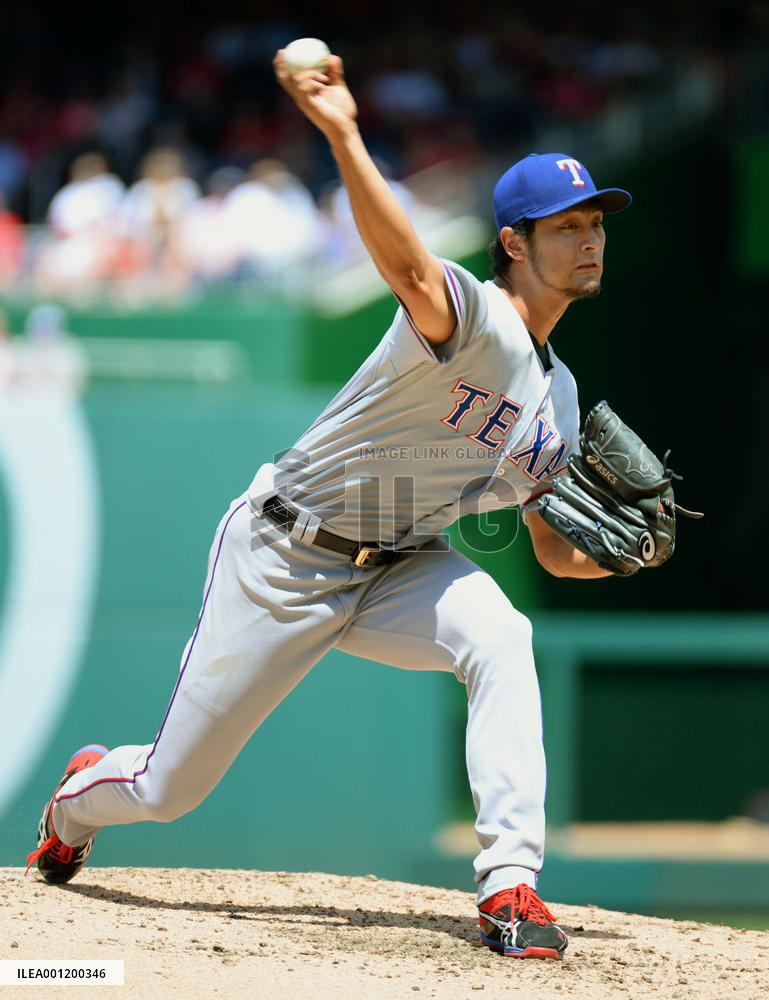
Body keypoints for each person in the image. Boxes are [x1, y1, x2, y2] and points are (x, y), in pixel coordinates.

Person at [26, 49, 633, 963]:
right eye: (564, 225)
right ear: (513, 240)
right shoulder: (468, 311)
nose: (588, 239)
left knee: (503, 636)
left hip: (401, 565)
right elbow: (407, 265)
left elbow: (549, 548)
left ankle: (511, 886)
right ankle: (78, 799)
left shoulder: (562, 395)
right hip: (283, 555)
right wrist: (342, 130)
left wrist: (618, 557)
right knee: (168, 789)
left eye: (594, 222)